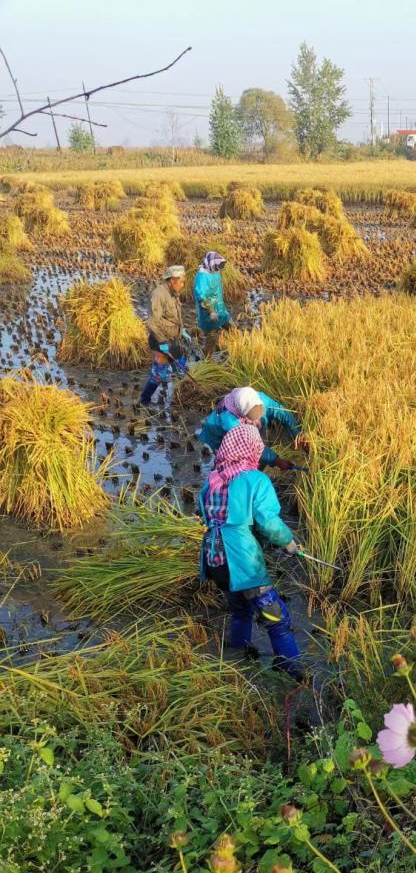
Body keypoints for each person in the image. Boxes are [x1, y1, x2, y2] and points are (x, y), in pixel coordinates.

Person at [199, 423, 303, 675]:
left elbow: (212, 516)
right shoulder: (255, 479)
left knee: (240, 610)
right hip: (242, 561)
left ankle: (239, 655)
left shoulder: (212, 480)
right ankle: (291, 670)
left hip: (214, 558)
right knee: (276, 617)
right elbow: (267, 522)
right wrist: (288, 542)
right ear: (253, 448)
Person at [199, 385, 306, 472]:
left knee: (259, 457)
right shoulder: (230, 422)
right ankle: (217, 482)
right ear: (243, 414)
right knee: (229, 465)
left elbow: (283, 413)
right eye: (253, 418)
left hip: (244, 428)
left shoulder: (260, 400)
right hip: (218, 436)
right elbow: (252, 446)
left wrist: (298, 435)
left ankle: (257, 473)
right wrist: (277, 461)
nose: (258, 420)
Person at [140, 265, 191, 406]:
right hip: (160, 342)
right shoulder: (159, 294)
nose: (183, 284)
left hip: (174, 340)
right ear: (172, 280)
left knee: (182, 370)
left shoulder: (174, 293)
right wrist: (162, 342)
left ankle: (181, 399)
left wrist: (183, 331)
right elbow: (152, 321)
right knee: (158, 375)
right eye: (181, 281)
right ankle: (144, 400)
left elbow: (173, 318)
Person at [194, 250, 232, 356]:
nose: (218, 269)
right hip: (208, 312)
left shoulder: (215, 272)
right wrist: (211, 311)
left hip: (220, 308)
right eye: (217, 266)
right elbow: (201, 296)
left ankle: (235, 349)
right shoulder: (202, 277)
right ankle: (207, 358)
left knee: (232, 329)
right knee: (212, 335)